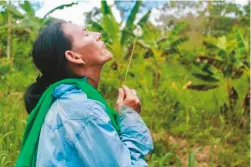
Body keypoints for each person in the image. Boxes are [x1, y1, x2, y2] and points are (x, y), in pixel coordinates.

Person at [16, 21, 153, 167]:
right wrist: (131, 118)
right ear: (74, 57)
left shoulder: (68, 104)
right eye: (86, 34)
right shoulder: (81, 111)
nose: (98, 35)